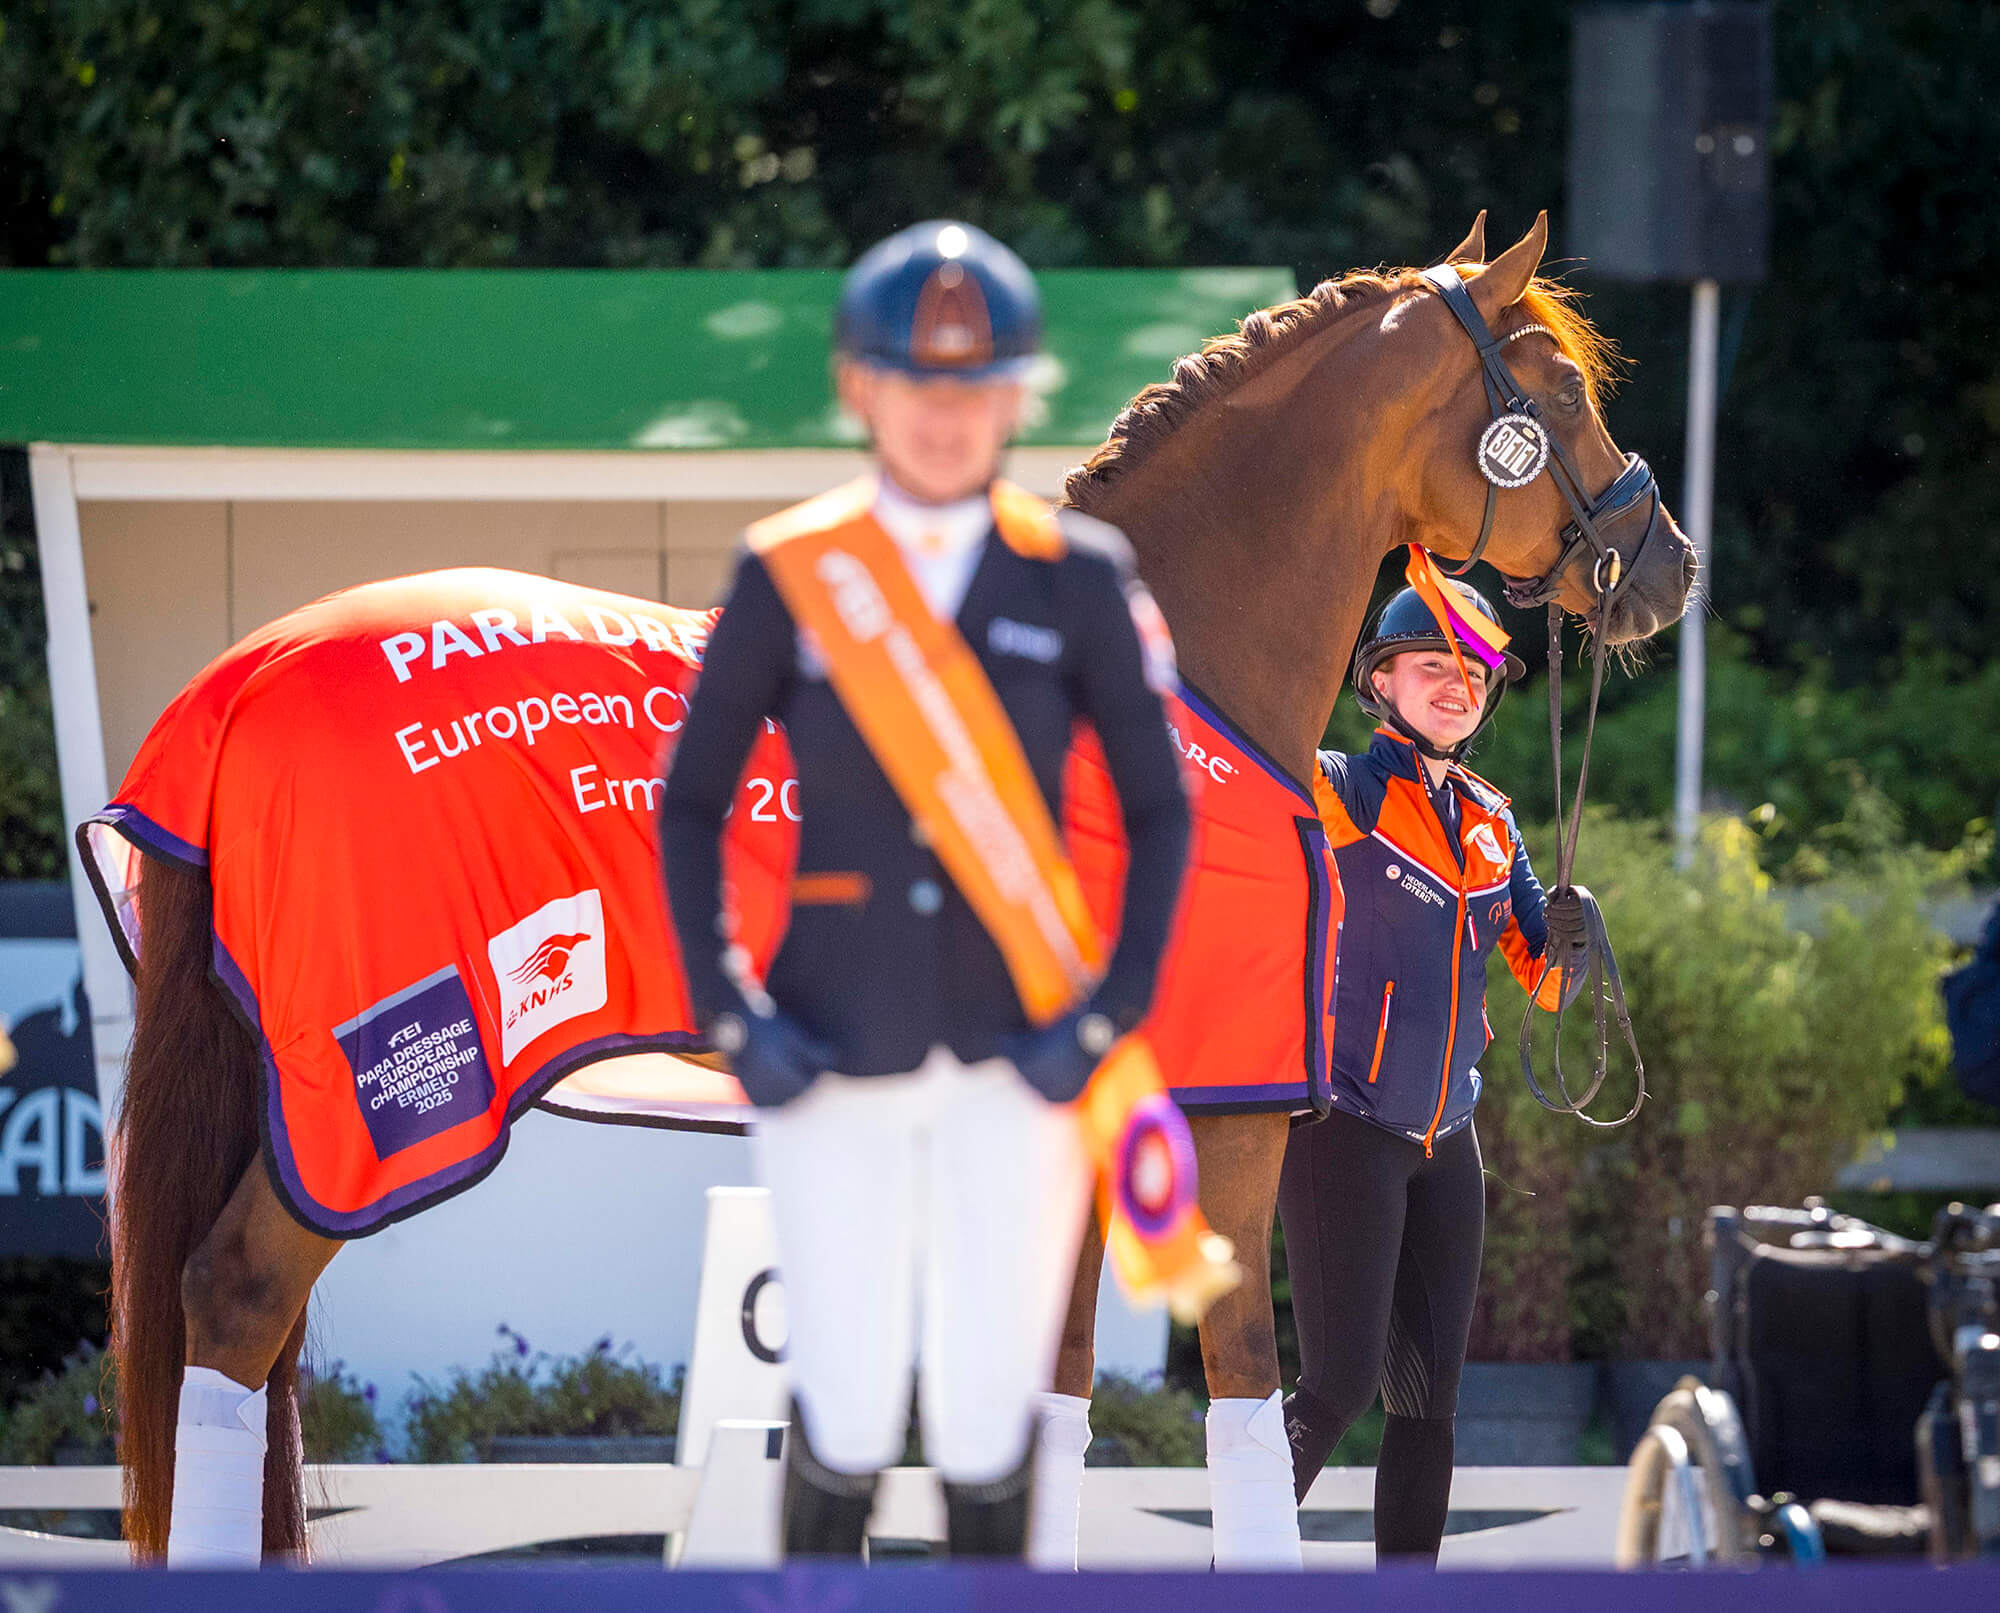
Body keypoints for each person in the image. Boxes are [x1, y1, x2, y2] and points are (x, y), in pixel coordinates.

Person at [657, 220, 1191, 1560]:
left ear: (1018, 394)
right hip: (827, 1054)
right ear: (859, 387)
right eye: (915, 382)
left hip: (1022, 1061)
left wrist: (1103, 1018)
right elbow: (692, 805)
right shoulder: (791, 570)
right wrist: (728, 1013)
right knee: (839, 1407)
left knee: (980, 1416)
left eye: (975, 384)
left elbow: (1160, 809)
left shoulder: (1079, 579)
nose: (945, 414)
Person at [1280, 571, 1560, 1564]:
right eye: (1432, 667)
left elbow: (1549, 984)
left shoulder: (1492, 814)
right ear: (1380, 681)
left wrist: (1567, 933)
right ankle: (1236, 1560)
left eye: (1474, 673)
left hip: (1448, 1138)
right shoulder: (1339, 789)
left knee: (1427, 1397)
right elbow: (1246, 748)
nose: (1457, 685)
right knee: (1338, 1383)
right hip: (1343, 1128)